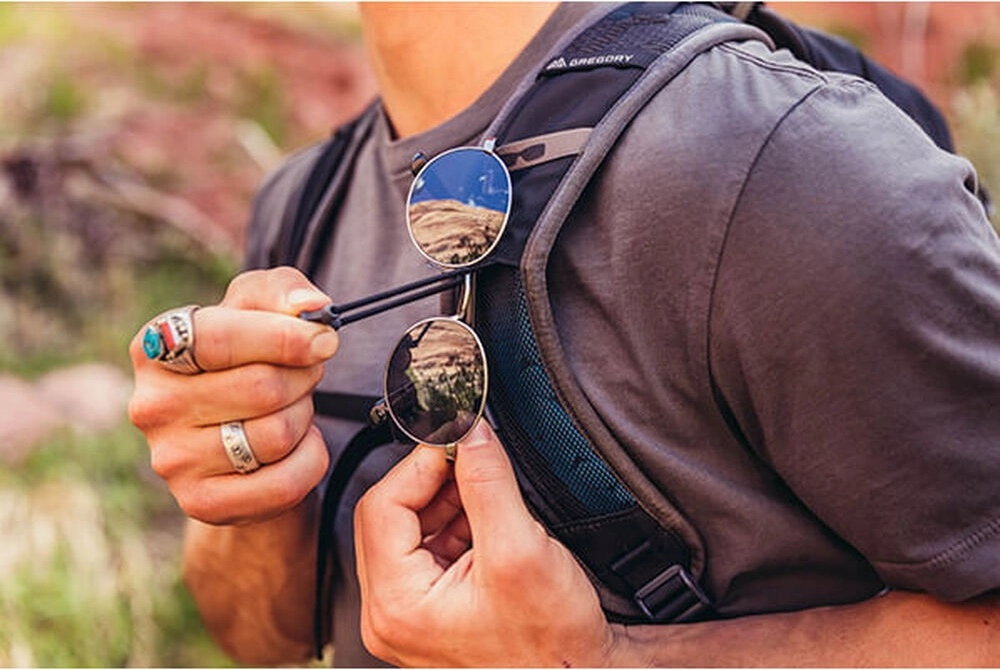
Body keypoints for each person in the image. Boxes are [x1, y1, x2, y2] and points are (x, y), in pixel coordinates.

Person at [128, 3, 1000, 667]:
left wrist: (612, 660)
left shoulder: (771, 156)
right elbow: (263, 636)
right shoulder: (305, 204)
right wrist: (251, 486)